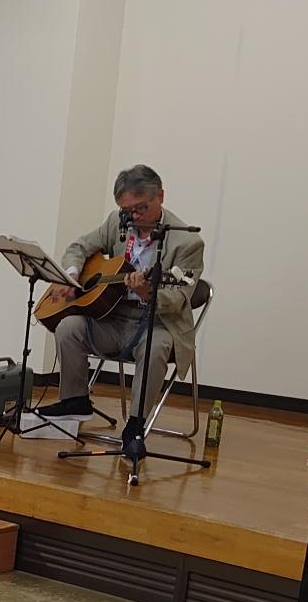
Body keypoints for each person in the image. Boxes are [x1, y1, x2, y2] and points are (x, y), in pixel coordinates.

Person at [45, 164, 205, 422]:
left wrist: (147, 292)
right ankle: (75, 401)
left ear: (160, 197)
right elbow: (78, 246)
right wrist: (72, 273)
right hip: (114, 317)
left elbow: (178, 300)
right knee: (68, 327)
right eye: (127, 210)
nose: (134, 217)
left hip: (159, 323)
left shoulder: (187, 242)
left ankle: (136, 424)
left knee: (154, 347)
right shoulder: (116, 222)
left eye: (141, 208)